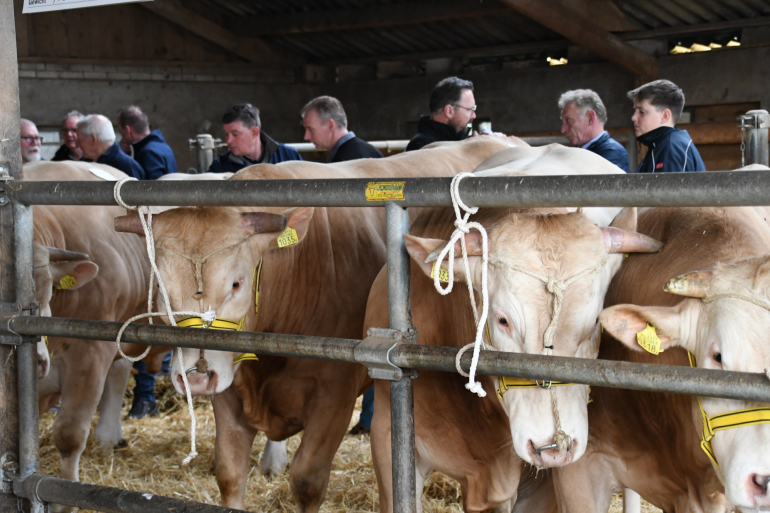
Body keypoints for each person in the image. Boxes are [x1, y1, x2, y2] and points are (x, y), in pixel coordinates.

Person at [628, 79, 705, 173]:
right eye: (635, 111)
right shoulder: (662, 145)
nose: (634, 118)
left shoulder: (670, 148)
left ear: (664, 116)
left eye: (642, 112)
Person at [208, 103, 302, 173]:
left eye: (235, 134)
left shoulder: (289, 156)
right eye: (226, 134)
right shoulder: (219, 167)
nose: (228, 140)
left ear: (254, 132)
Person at [558, 89, 629, 172]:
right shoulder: (580, 151)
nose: (563, 129)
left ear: (590, 118)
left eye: (568, 120)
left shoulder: (613, 152)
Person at [301, 96, 383, 162]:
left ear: (330, 125)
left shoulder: (342, 161)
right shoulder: (374, 153)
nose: (306, 137)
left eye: (311, 130)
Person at [406, 76, 476, 152]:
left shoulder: (454, 140)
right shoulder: (422, 147)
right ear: (449, 111)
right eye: (469, 110)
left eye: (474, 109)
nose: (474, 116)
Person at [117, 106, 177, 180]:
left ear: (127, 130)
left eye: (120, 129)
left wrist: (121, 156)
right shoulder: (162, 146)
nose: (121, 135)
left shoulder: (148, 153)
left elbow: (150, 186)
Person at [77, 115, 144, 179]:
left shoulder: (128, 167)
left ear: (93, 139)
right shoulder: (84, 163)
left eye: (80, 140)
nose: (78, 144)